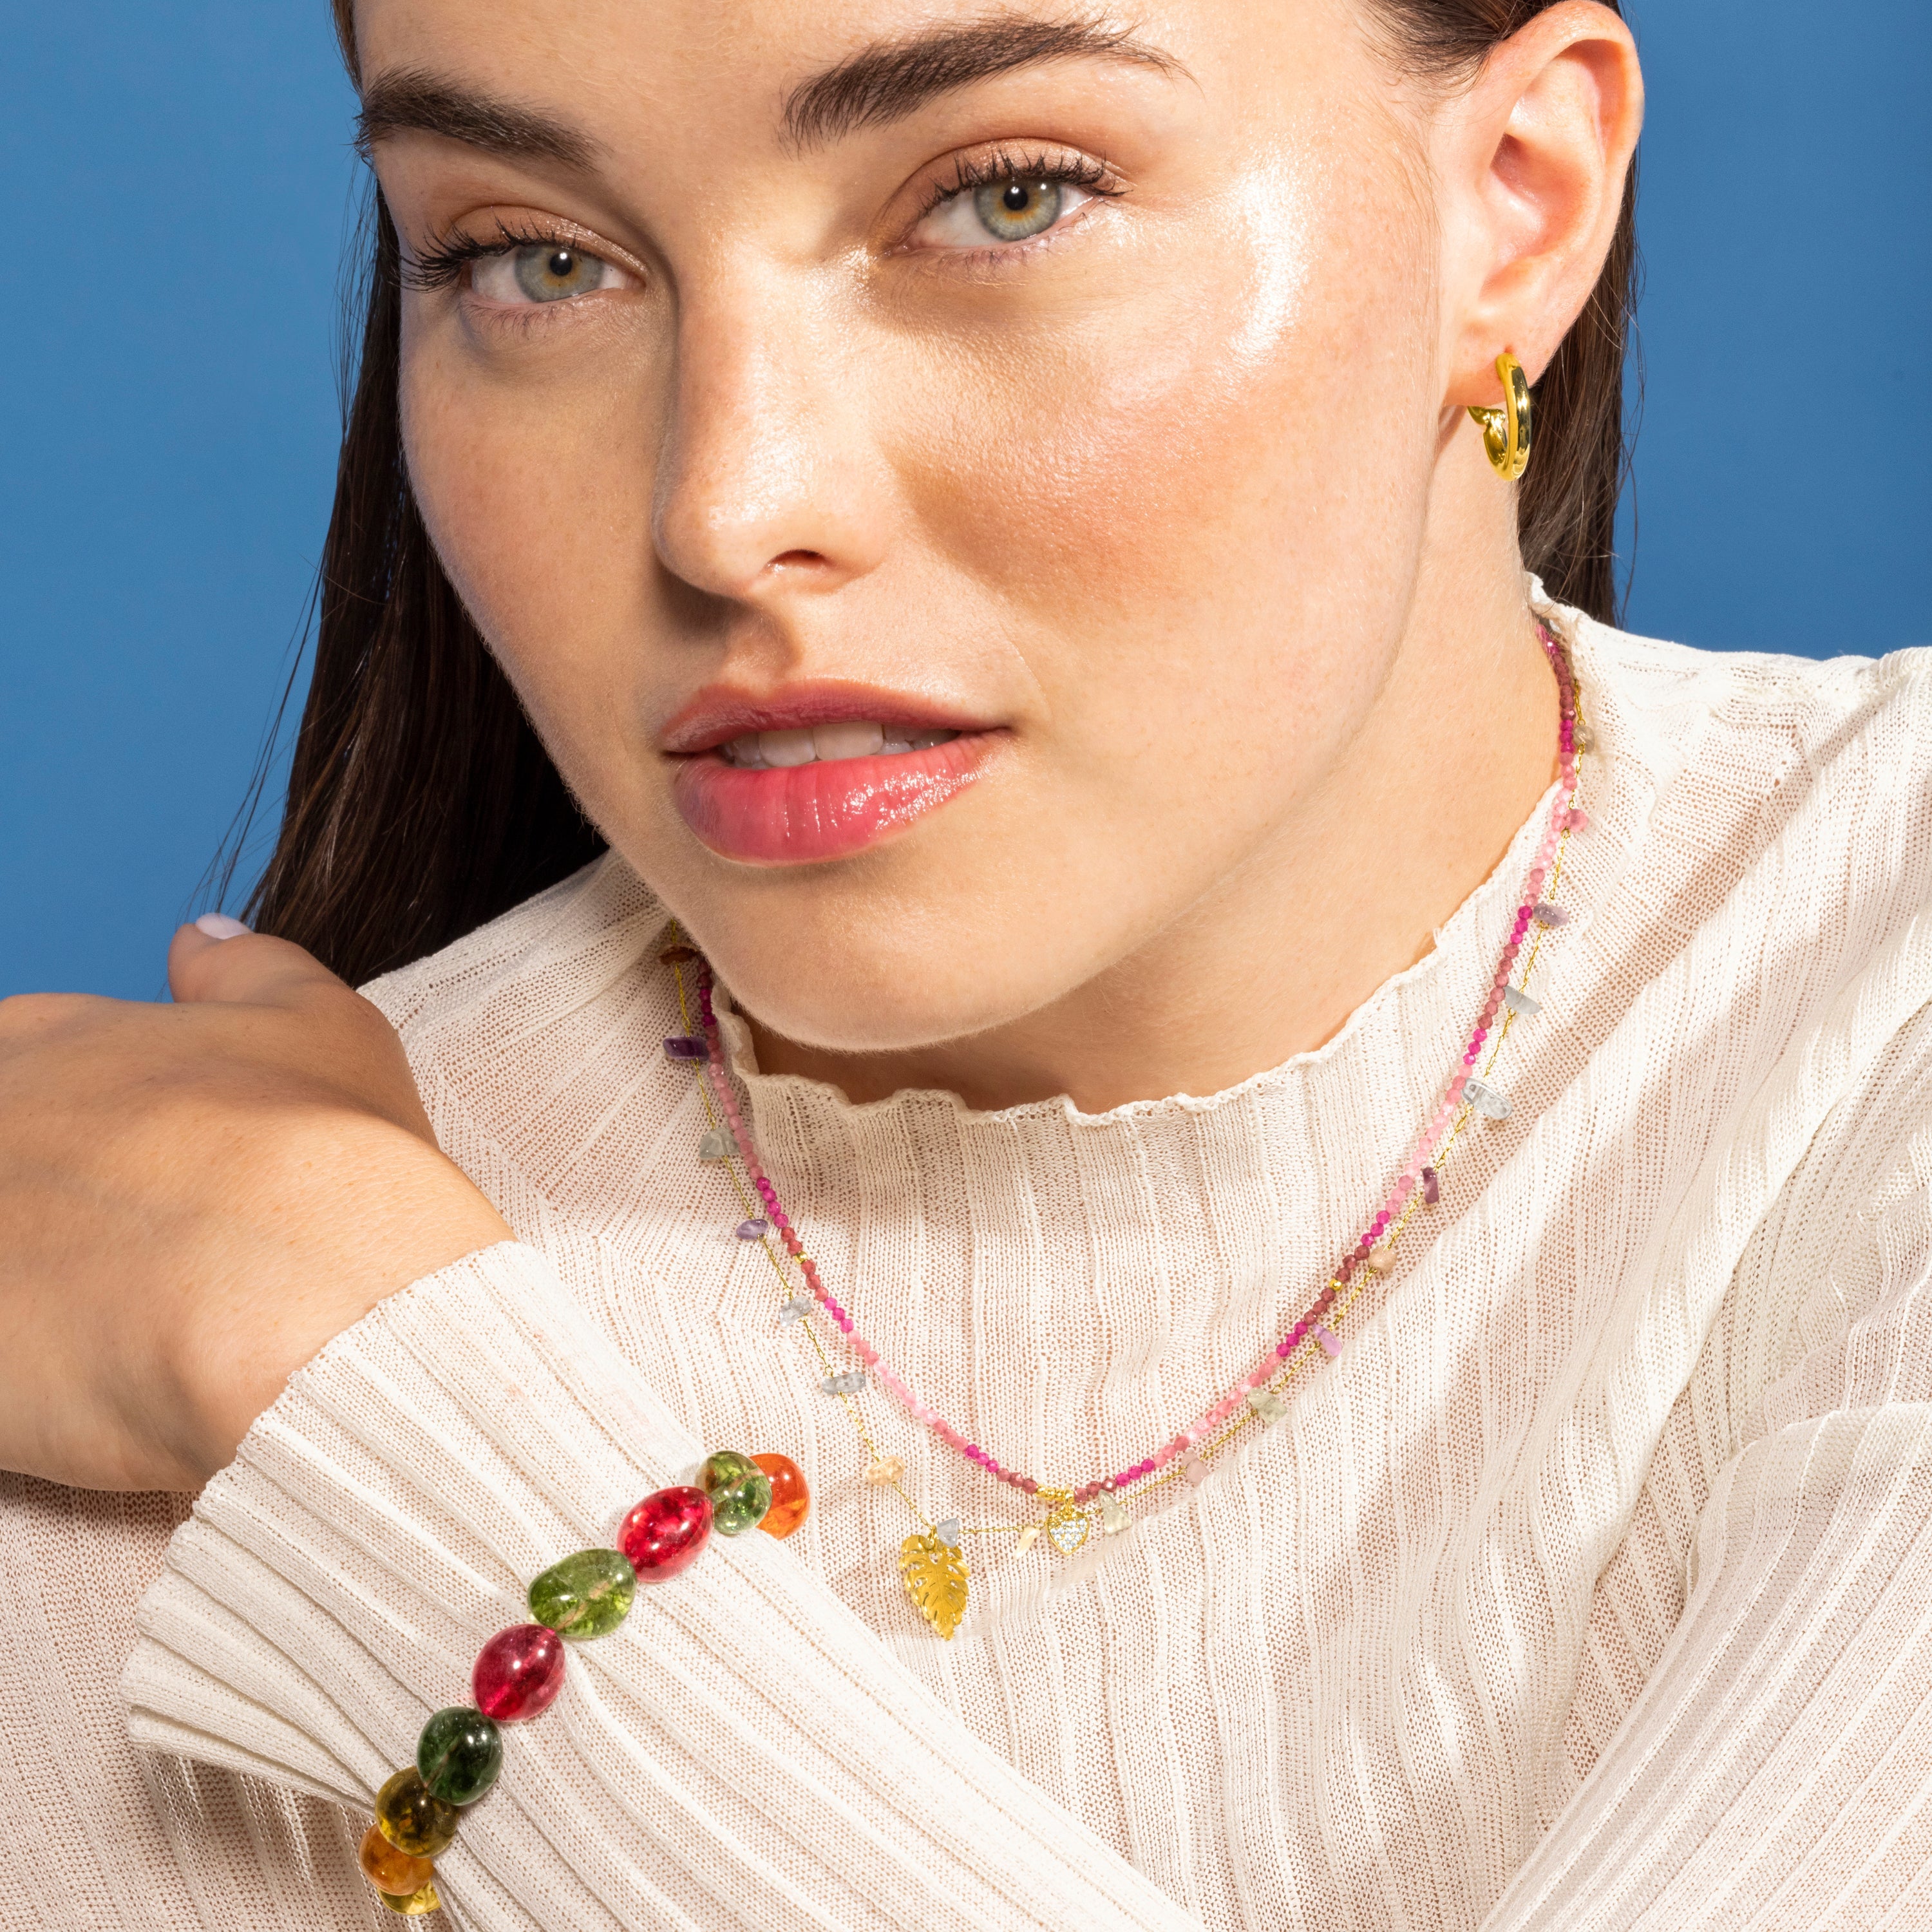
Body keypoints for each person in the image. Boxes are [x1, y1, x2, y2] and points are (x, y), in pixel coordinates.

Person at [4, 0, 1930, 1926]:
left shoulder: (271, 1354)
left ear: (1516, 201)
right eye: (534, 260)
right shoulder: (88, 1384)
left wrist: (393, 1436)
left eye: (1008, 198)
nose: (728, 510)